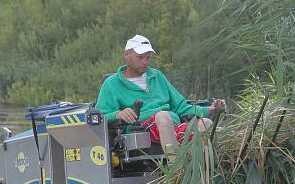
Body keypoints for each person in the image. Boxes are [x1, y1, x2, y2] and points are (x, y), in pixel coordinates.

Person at [96, 35, 225, 153]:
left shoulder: (157, 76)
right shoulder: (111, 84)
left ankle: (204, 173)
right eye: (140, 57)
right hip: (141, 130)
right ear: (127, 55)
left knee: (206, 123)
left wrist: (209, 109)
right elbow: (99, 116)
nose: (145, 62)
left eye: (148, 58)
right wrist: (117, 114)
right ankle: (176, 170)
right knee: (163, 116)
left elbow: (181, 107)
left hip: (172, 126)